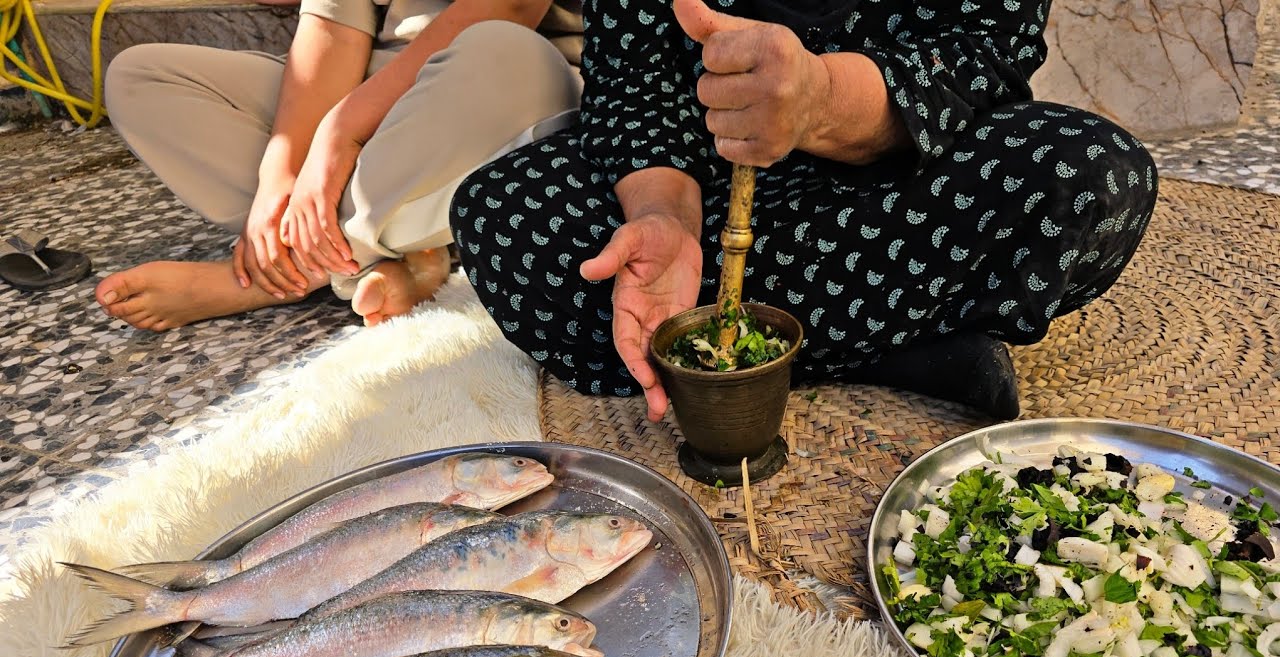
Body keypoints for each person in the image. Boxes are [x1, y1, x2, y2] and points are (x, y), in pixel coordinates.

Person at [451, 0, 1158, 420]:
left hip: (904, 181)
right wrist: (664, 216)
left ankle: (742, 348)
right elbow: (632, 83)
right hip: (702, 174)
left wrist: (821, 100)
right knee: (502, 216)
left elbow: (984, 55)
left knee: (1091, 177)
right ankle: (904, 347)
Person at [95, 0, 584, 330]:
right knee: (141, 78)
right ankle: (387, 247)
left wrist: (339, 134)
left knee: (503, 48)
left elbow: (511, 6)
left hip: (491, 86)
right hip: (372, 84)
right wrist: (282, 172)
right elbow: (332, 34)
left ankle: (276, 275)